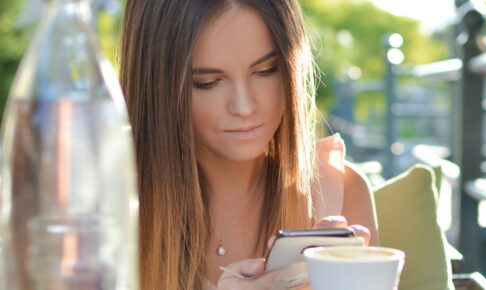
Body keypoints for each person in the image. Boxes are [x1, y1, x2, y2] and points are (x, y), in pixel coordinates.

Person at [118, 0, 378, 289]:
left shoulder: (340, 192)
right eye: (207, 82)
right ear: (155, 84)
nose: (243, 107)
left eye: (265, 70)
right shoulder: (107, 205)